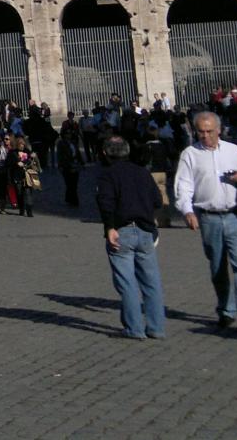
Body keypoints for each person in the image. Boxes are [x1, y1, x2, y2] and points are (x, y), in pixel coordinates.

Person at [173, 110, 237, 332]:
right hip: (208, 217)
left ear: (219, 130)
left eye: (209, 131)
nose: (205, 136)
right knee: (218, 267)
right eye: (201, 132)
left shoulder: (234, 151)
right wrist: (187, 210)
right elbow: (183, 185)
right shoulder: (190, 154)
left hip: (235, 215)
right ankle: (226, 310)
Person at [94, 135, 165, 340]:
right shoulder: (142, 172)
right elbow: (157, 200)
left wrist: (109, 227)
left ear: (105, 153)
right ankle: (156, 327)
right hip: (145, 230)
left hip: (121, 230)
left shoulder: (107, 175)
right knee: (151, 282)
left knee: (127, 283)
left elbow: (106, 203)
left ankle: (134, 328)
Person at [7, 135, 38, 217]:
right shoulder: (12, 152)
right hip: (17, 176)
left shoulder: (27, 151)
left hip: (27, 176)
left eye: (23, 144)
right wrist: (16, 163)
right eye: (20, 144)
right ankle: (21, 209)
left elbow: (31, 161)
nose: (22, 146)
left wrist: (32, 157)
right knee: (19, 193)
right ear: (17, 144)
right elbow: (9, 163)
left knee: (28, 193)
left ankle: (29, 211)